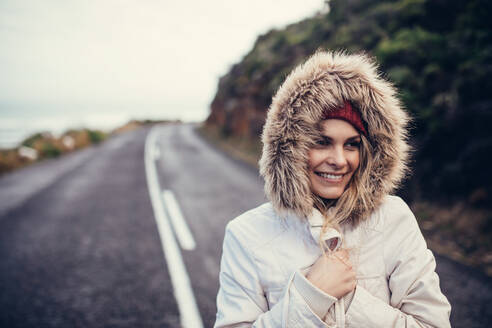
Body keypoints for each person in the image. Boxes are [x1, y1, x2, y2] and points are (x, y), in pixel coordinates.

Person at [214, 51, 451, 327]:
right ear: (289, 148)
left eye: (351, 144)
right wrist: (310, 298)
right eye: (321, 142)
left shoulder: (394, 218)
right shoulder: (246, 235)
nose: (339, 160)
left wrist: (349, 302)